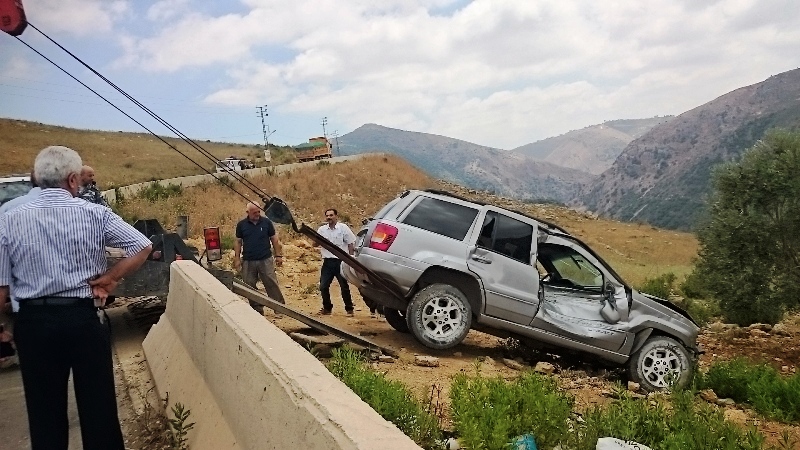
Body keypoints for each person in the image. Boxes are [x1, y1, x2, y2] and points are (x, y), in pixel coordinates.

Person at [0, 146, 152, 449]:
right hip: (83, 319)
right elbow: (143, 245)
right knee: (100, 414)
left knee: (44, 416)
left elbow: (1, 288)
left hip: (33, 324)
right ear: (72, 179)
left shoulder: (8, 218)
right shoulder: (94, 213)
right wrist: (110, 278)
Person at [234, 201, 285, 313]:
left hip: (265, 258)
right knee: (249, 284)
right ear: (248, 212)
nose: (257, 214)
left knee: (271, 282)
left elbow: (274, 239)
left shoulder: (266, 222)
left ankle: (279, 307)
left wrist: (278, 255)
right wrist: (237, 258)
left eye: (258, 212)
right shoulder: (241, 225)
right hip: (248, 260)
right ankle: (257, 308)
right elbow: (238, 242)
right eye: (254, 213)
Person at [316, 208, 357, 316]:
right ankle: (327, 308)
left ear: (336, 216)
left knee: (344, 286)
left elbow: (350, 243)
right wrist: (317, 240)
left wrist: (351, 258)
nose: (329, 217)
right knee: (323, 286)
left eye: (331, 215)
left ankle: (349, 309)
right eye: (327, 215)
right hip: (328, 262)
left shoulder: (343, 228)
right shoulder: (322, 230)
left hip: (341, 261)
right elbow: (314, 244)